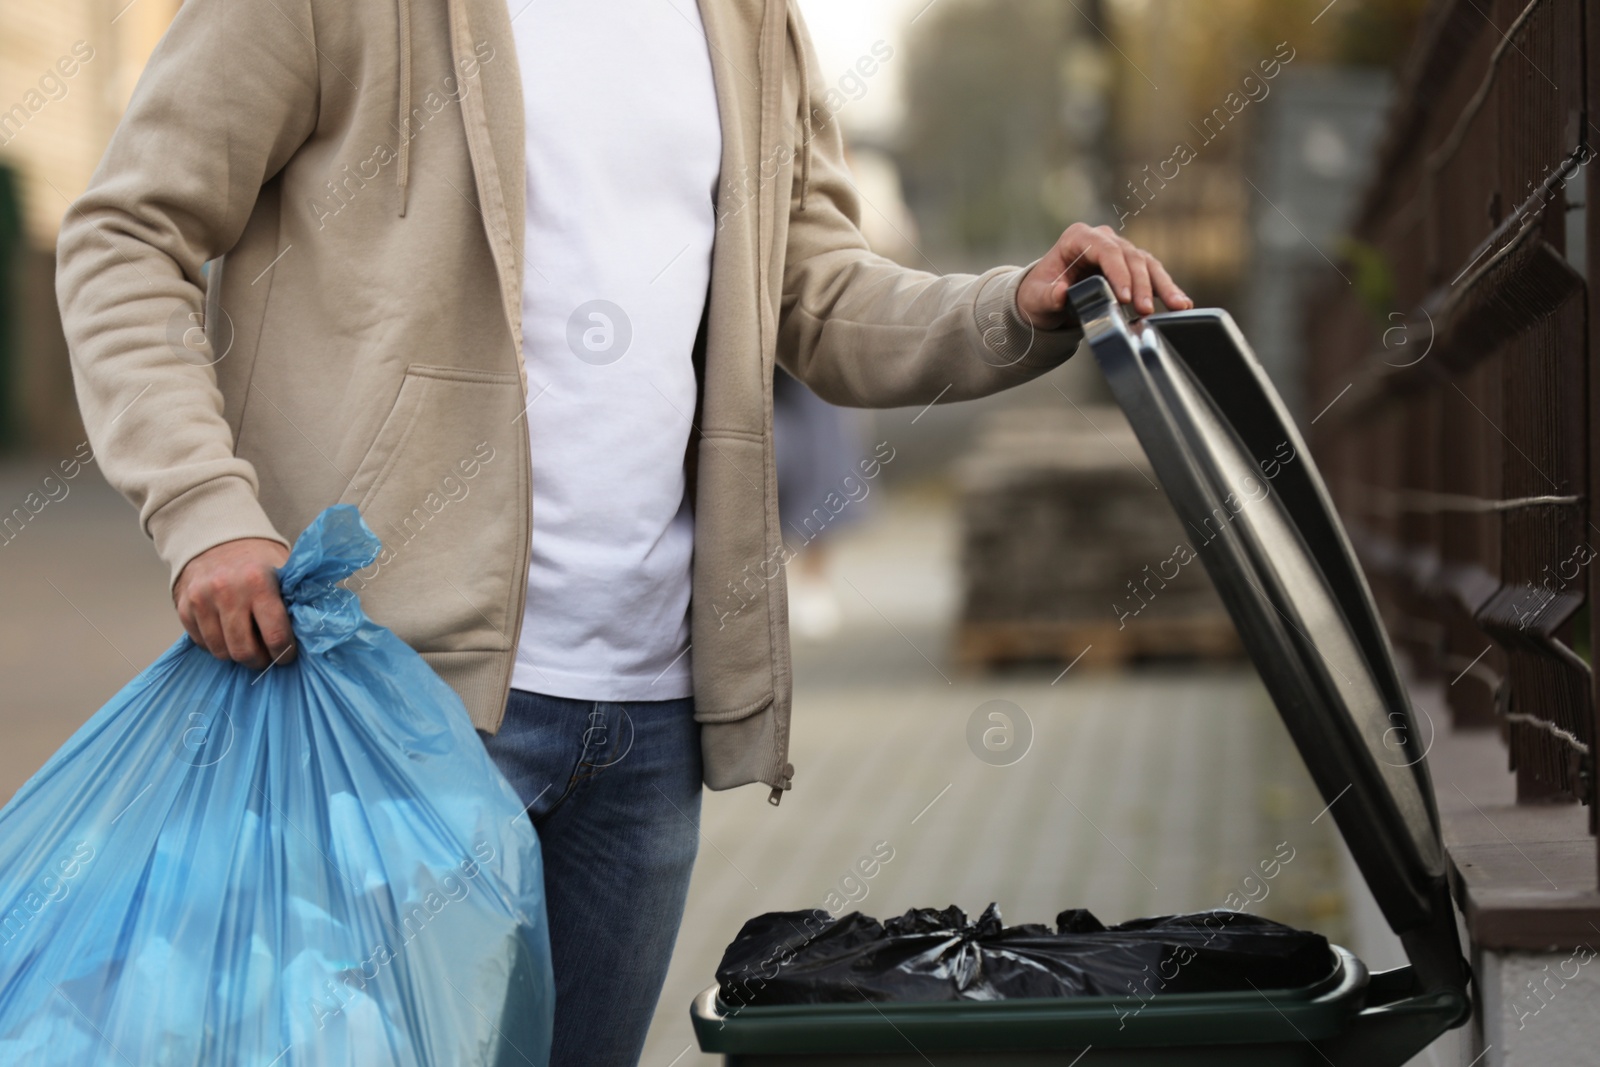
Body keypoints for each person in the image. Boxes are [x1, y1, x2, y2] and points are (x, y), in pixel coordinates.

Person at [55, 1, 1190, 1063]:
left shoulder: (740, 17)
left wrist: (1009, 305)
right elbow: (125, 232)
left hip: (645, 719)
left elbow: (817, 289)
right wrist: (203, 508)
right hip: (388, 694)